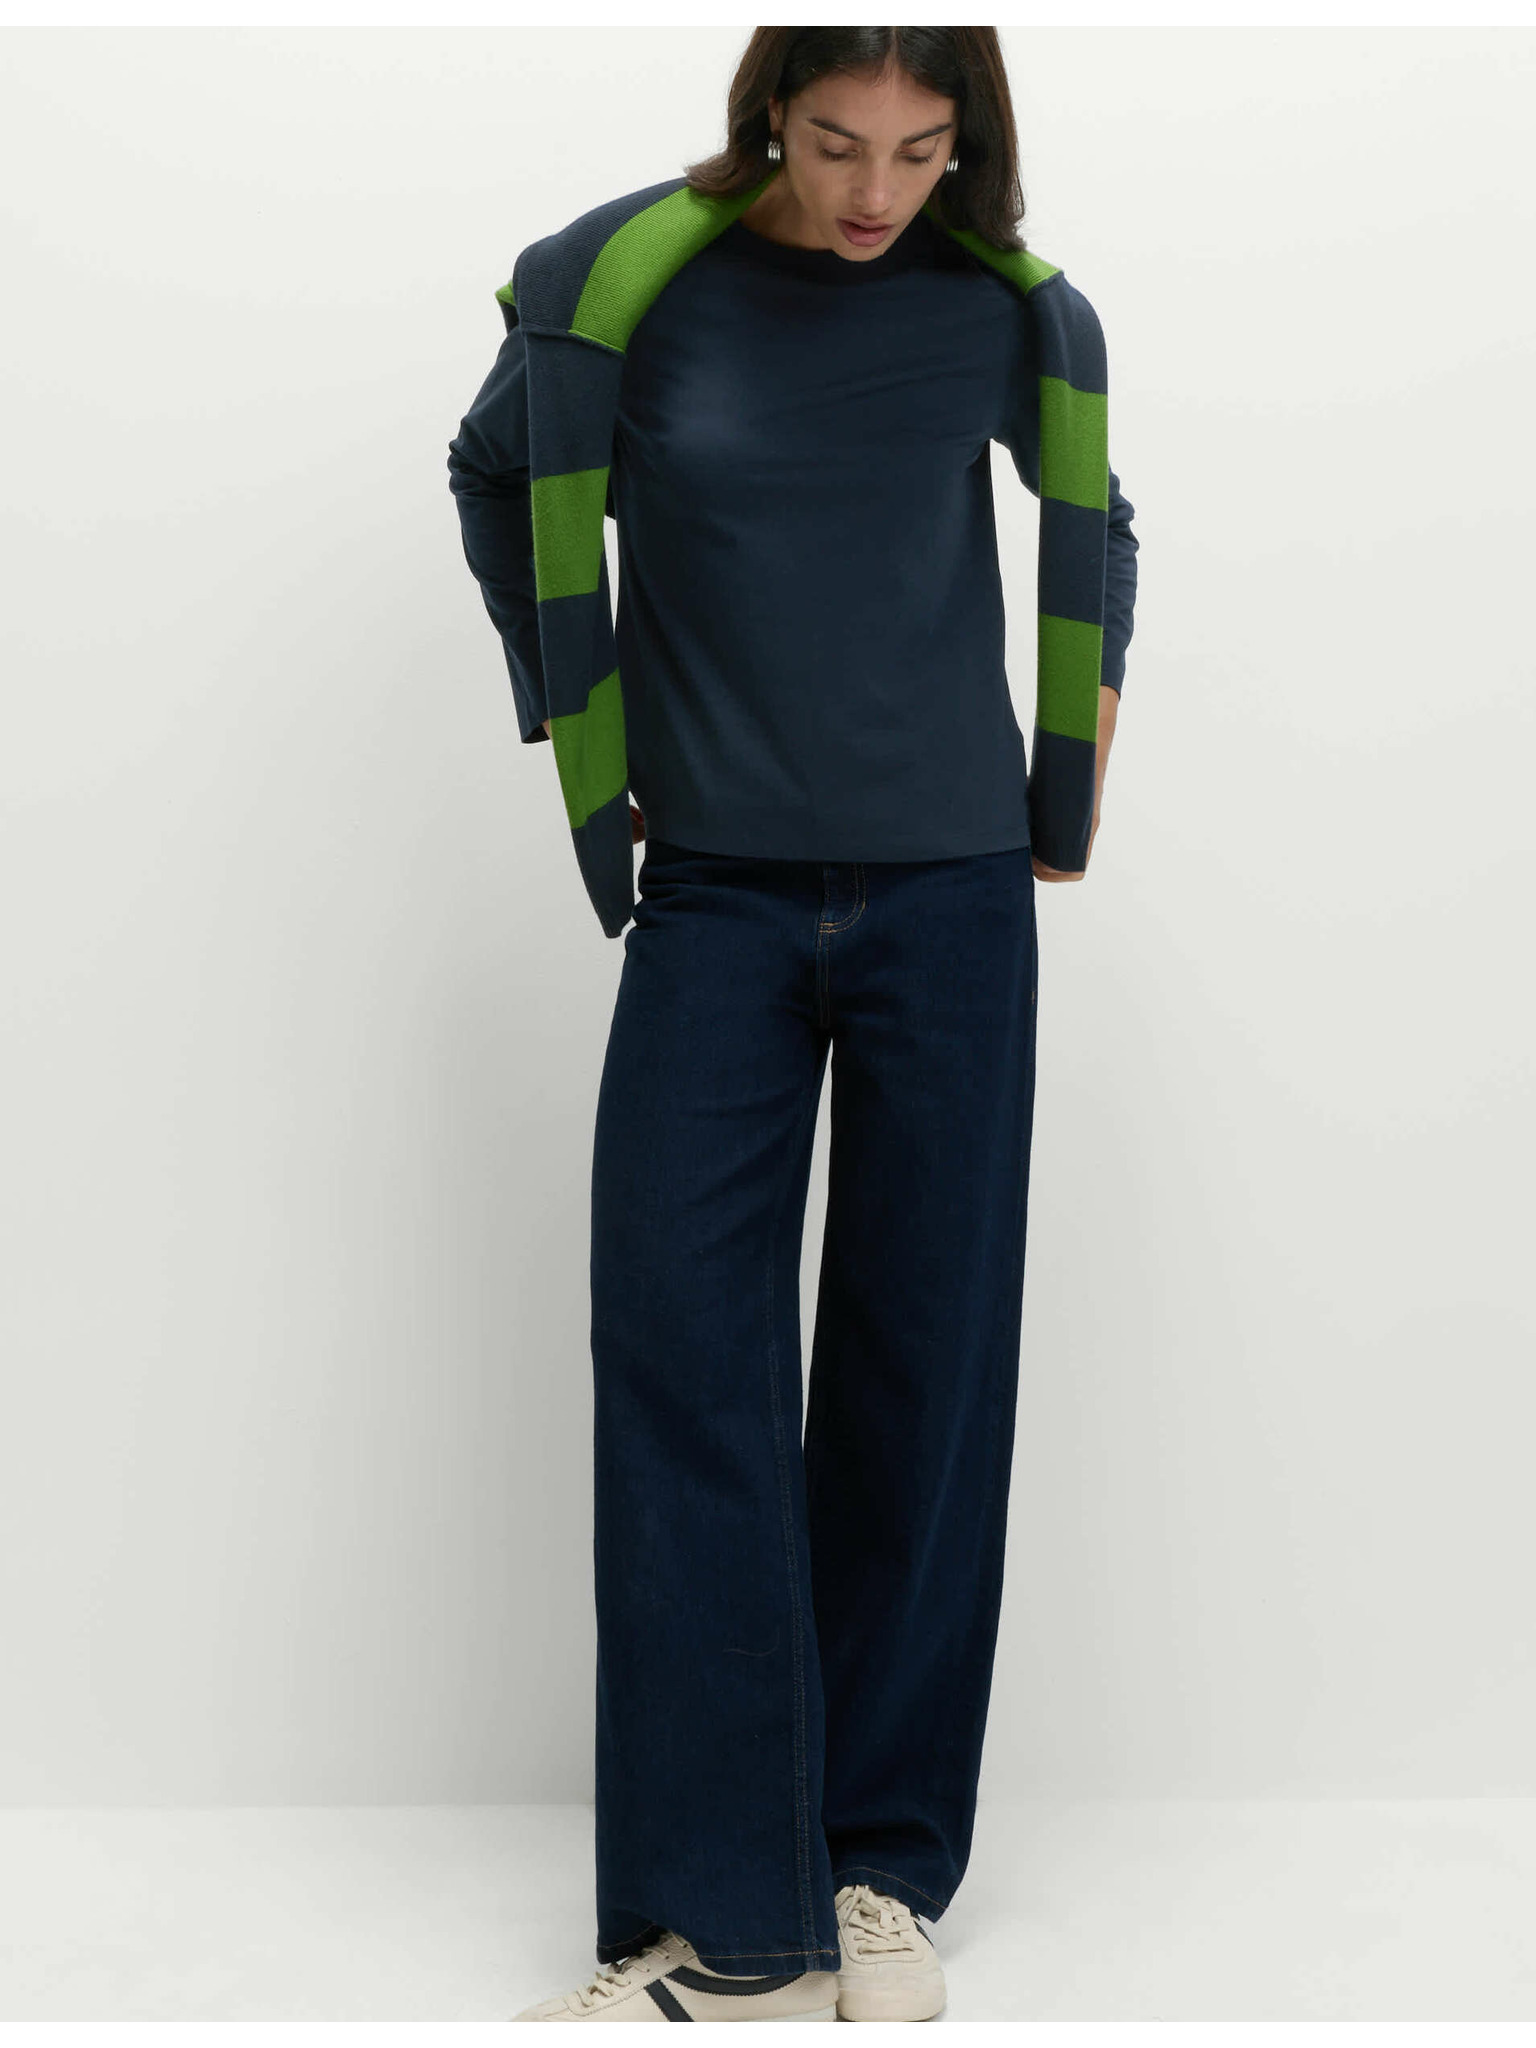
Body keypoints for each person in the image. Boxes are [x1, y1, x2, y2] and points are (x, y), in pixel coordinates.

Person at [447, 26, 1138, 2024]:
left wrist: (1071, 775)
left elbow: (1100, 519)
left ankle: (875, 1871)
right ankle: (711, 1911)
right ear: (770, 115)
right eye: (837, 142)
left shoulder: (1008, 312)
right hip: (719, 896)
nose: (872, 193)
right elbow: (495, 470)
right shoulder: (619, 285)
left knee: (926, 1367)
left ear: (967, 143)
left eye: (920, 151)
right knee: (682, 1357)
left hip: (952, 901)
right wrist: (580, 715)